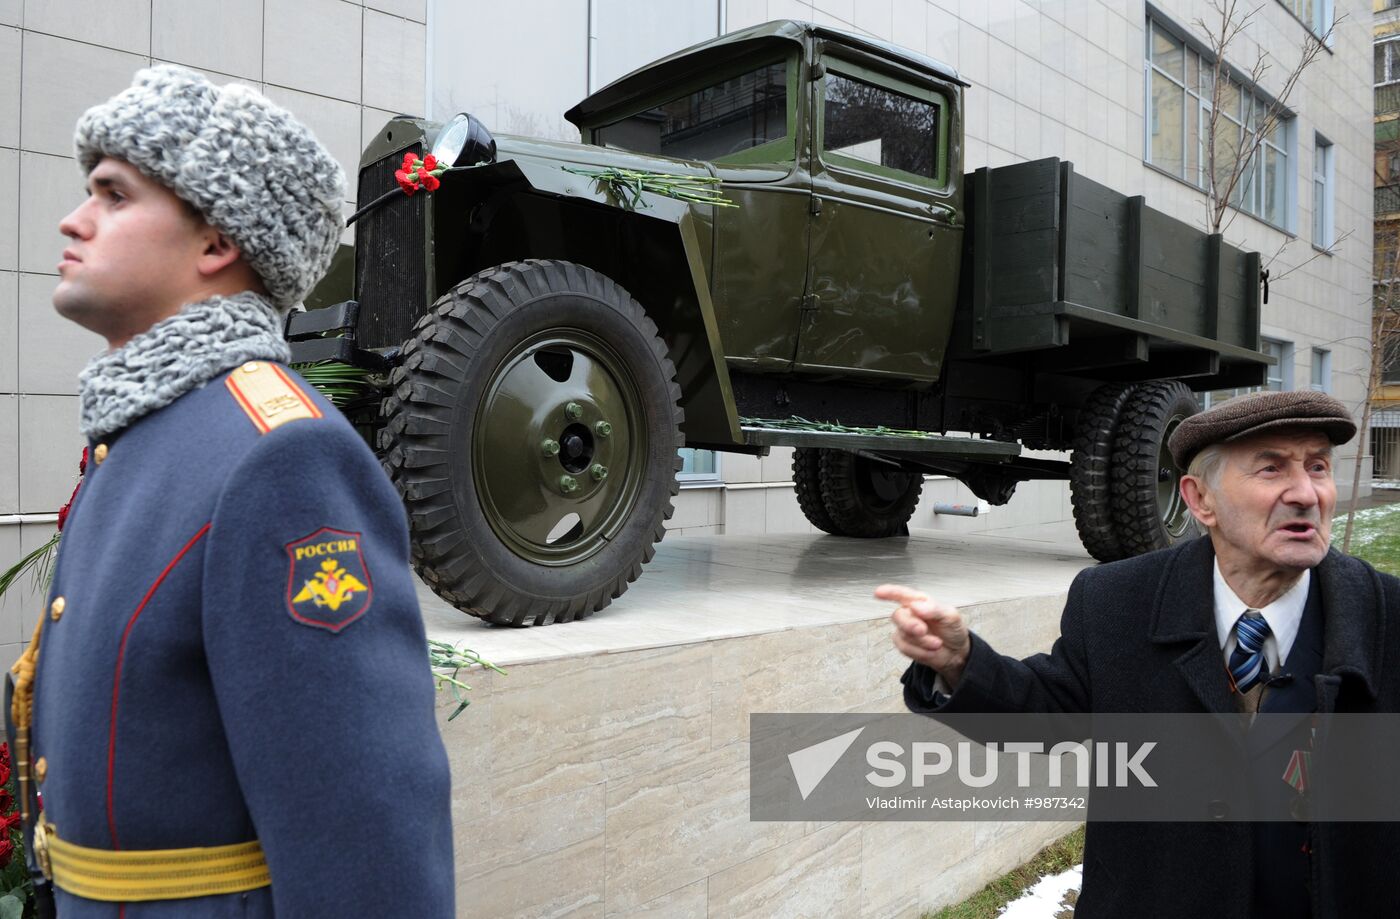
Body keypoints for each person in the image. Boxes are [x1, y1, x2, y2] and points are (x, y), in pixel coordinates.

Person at [7, 65, 454, 917]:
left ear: (217, 244)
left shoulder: (278, 456)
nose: (74, 219)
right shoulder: (155, 427)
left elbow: (369, 839)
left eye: (112, 193)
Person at [880, 389, 1400, 919]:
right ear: (1200, 501)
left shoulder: (1387, 617)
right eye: (1271, 470)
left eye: (1317, 467)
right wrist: (960, 663)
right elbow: (1048, 715)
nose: (1306, 493)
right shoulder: (1116, 601)